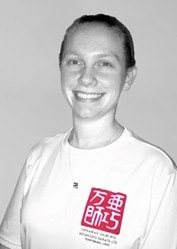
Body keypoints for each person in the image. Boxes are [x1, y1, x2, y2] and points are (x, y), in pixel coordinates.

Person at [0, 13, 176, 249]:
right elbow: (9, 243)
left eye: (104, 64)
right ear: (61, 68)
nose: (86, 78)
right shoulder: (40, 155)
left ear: (128, 77)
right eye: (75, 61)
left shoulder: (156, 171)